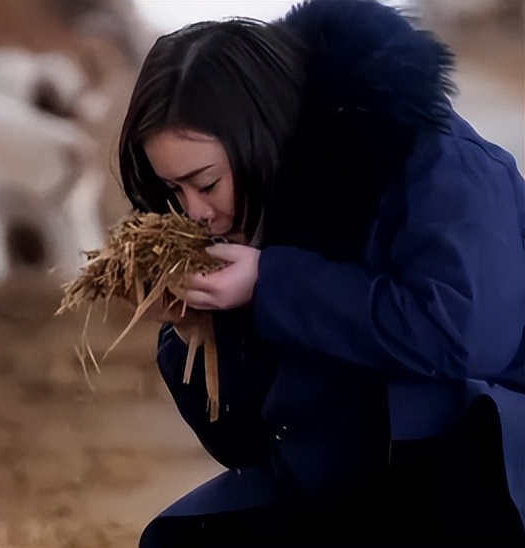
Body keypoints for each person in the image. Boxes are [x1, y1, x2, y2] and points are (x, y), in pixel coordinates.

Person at [116, 0, 525, 545]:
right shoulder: (259, 212)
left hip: (486, 473)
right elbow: (243, 445)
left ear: (259, 138)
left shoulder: (439, 162)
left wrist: (272, 284)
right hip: (355, 478)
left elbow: (466, 337)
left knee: (447, 421)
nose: (194, 212)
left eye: (206, 183)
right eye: (175, 191)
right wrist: (199, 332)